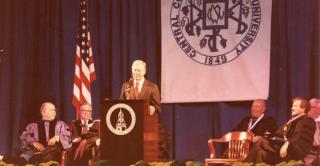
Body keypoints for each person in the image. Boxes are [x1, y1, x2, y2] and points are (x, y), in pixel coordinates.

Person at [245, 97, 316, 164]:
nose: (292, 108)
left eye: (295, 106)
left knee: (261, 141)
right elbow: (278, 134)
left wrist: (288, 143)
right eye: (292, 106)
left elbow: (301, 138)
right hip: (282, 147)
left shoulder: (307, 120)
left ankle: (244, 164)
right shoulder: (292, 120)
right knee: (261, 153)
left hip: (293, 151)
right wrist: (269, 135)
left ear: (303, 109)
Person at [305, 98, 320, 166]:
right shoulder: (303, 121)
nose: (310, 109)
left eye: (313, 107)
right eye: (309, 107)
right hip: (306, 153)